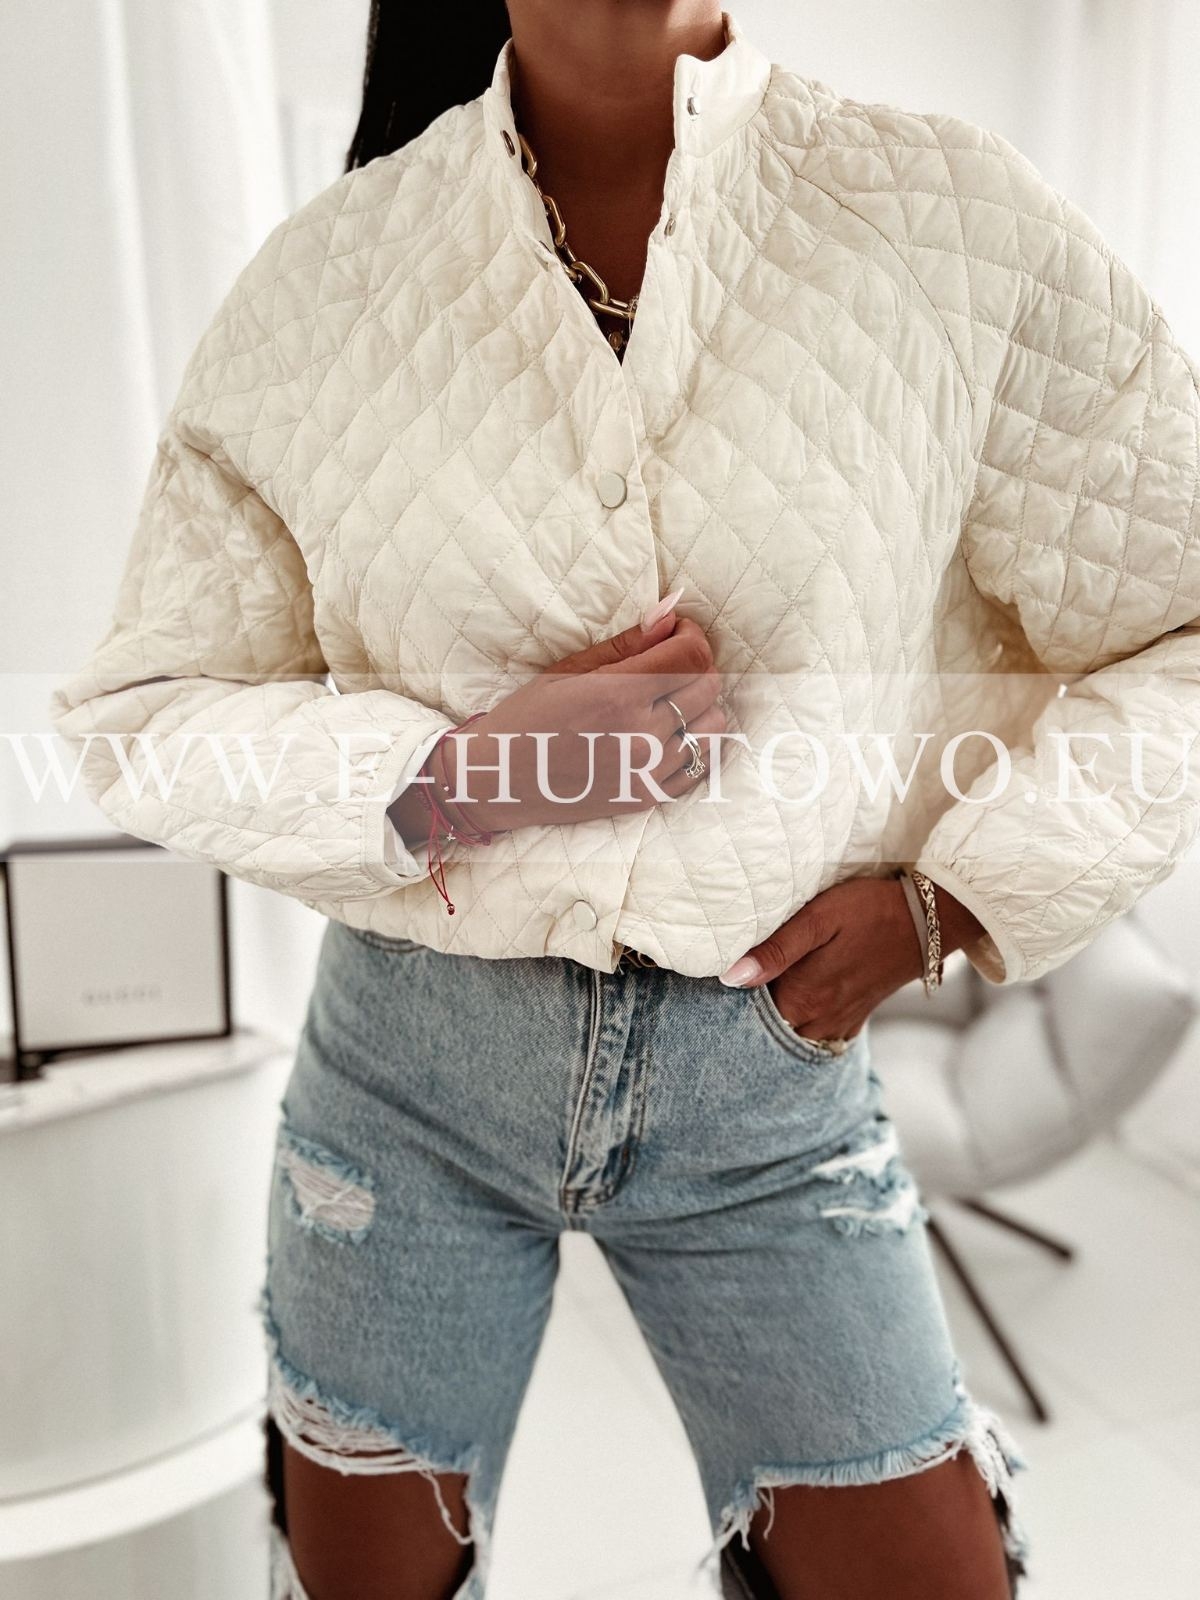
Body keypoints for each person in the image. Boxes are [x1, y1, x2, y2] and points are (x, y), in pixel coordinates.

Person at [49, 3, 1200, 1598]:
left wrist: (954, 903)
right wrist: (471, 774)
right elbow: (148, 707)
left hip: (768, 1095)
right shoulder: (329, 280)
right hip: (405, 1088)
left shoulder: (951, 225)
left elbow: (1177, 623)